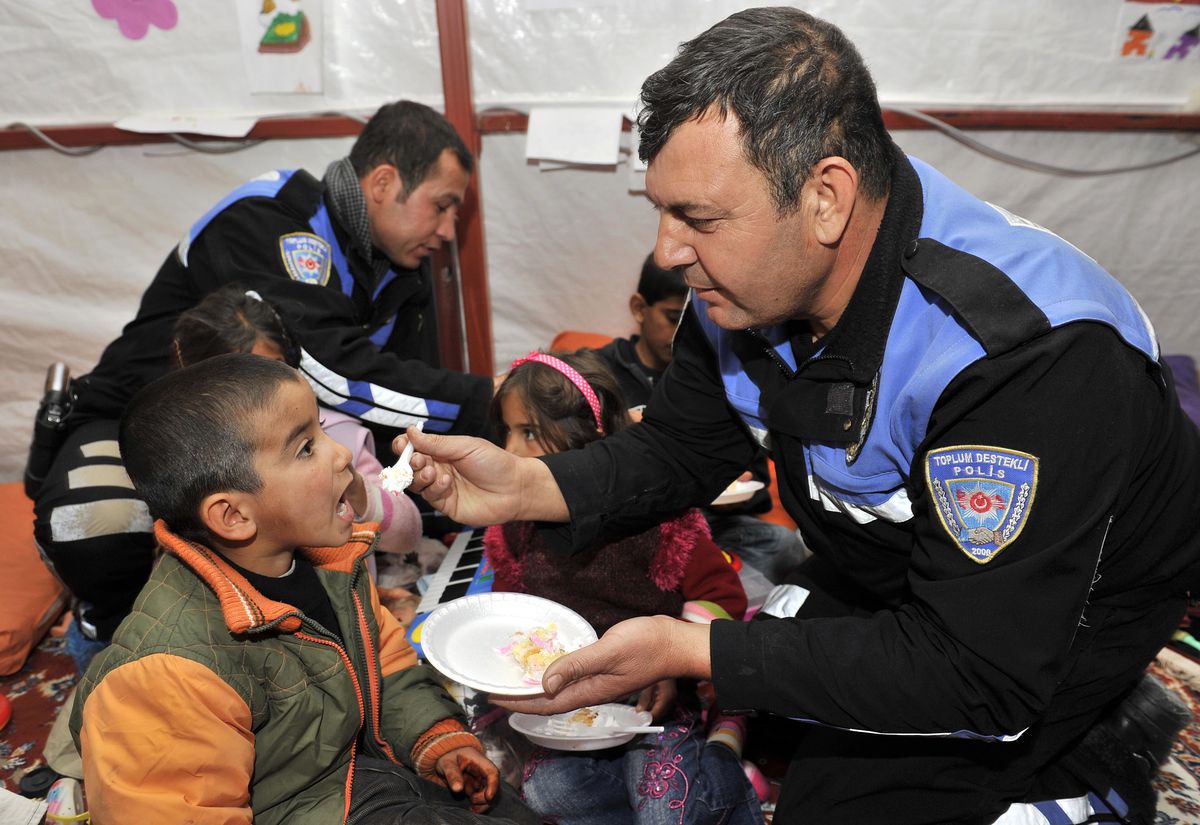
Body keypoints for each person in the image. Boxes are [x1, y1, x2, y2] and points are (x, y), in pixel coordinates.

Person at [391, 8, 1200, 825]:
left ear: (826, 198)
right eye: (663, 210)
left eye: (698, 218)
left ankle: (1088, 766)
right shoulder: (749, 286)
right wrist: (526, 485)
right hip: (891, 569)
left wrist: (693, 646)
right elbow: (678, 447)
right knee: (777, 713)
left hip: (1041, 623)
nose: (668, 249)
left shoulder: (1019, 357)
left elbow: (977, 666)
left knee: (841, 795)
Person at [33, 99, 493, 665]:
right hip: (133, 421)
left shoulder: (400, 271)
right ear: (383, 182)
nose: (449, 231)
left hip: (262, 446)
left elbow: (403, 404)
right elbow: (331, 370)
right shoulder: (265, 217)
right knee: (95, 526)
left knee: (435, 506)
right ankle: (107, 639)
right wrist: (489, 403)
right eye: (443, 206)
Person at [69, 353, 539, 825]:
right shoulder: (166, 678)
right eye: (305, 448)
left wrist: (435, 738)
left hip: (359, 776)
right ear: (233, 516)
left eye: (322, 430)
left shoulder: (329, 567)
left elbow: (386, 667)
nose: (341, 454)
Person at [485, 349, 761, 824]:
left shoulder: (661, 521)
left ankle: (725, 777)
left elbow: (723, 597)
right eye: (507, 432)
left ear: (588, 436)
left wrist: (673, 661)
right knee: (548, 793)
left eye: (528, 432)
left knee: (663, 808)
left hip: (656, 703)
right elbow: (512, 614)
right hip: (568, 711)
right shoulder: (514, 530)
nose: (509, 451)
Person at [595, 253, 806, 584]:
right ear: (639, 309)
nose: (685, 332)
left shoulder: (726, 373)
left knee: (783, 546)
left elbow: (757, 482)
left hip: (711, 524)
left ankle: (706, 602)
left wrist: (733, 491)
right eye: (674, 317)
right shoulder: (599, 374)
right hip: (632, 525)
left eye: (702, 319)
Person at [173, 284, 423, 560]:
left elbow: (408, 532)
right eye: (247, 384)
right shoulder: (190, 467)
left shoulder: (339, 436)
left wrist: (355, 490)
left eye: (277, 370)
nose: (268, 394)